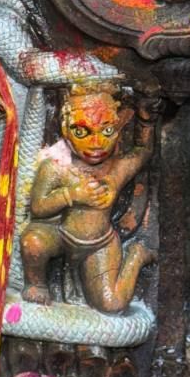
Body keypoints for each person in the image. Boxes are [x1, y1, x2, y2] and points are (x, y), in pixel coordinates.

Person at [20, 84, 158, 313]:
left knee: (111, 304)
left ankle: (136, 256)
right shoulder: (56, 168)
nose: (96, 143)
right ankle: (37, 284)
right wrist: (72, 195)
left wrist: (146, 120)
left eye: (107, 131)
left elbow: (143, 151)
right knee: (32, 243)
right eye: (81, 132)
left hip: (99, 243)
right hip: (60, 234)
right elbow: (38, 207)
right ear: (65, 130)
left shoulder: (116, 170)